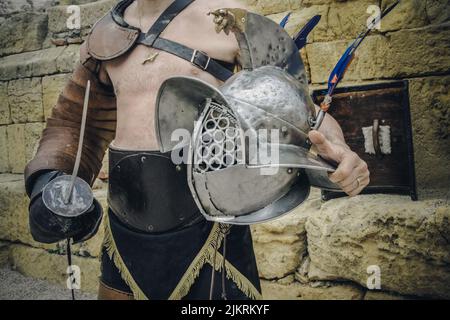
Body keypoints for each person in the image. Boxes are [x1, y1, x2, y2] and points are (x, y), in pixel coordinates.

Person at [24, 0, 369, 300]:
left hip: (210, 220)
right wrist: (49, 183)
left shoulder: (227, 18)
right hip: (126, 221)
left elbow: (298, 109)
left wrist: (339, 151)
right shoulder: (104, 35)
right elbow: (74, 124)